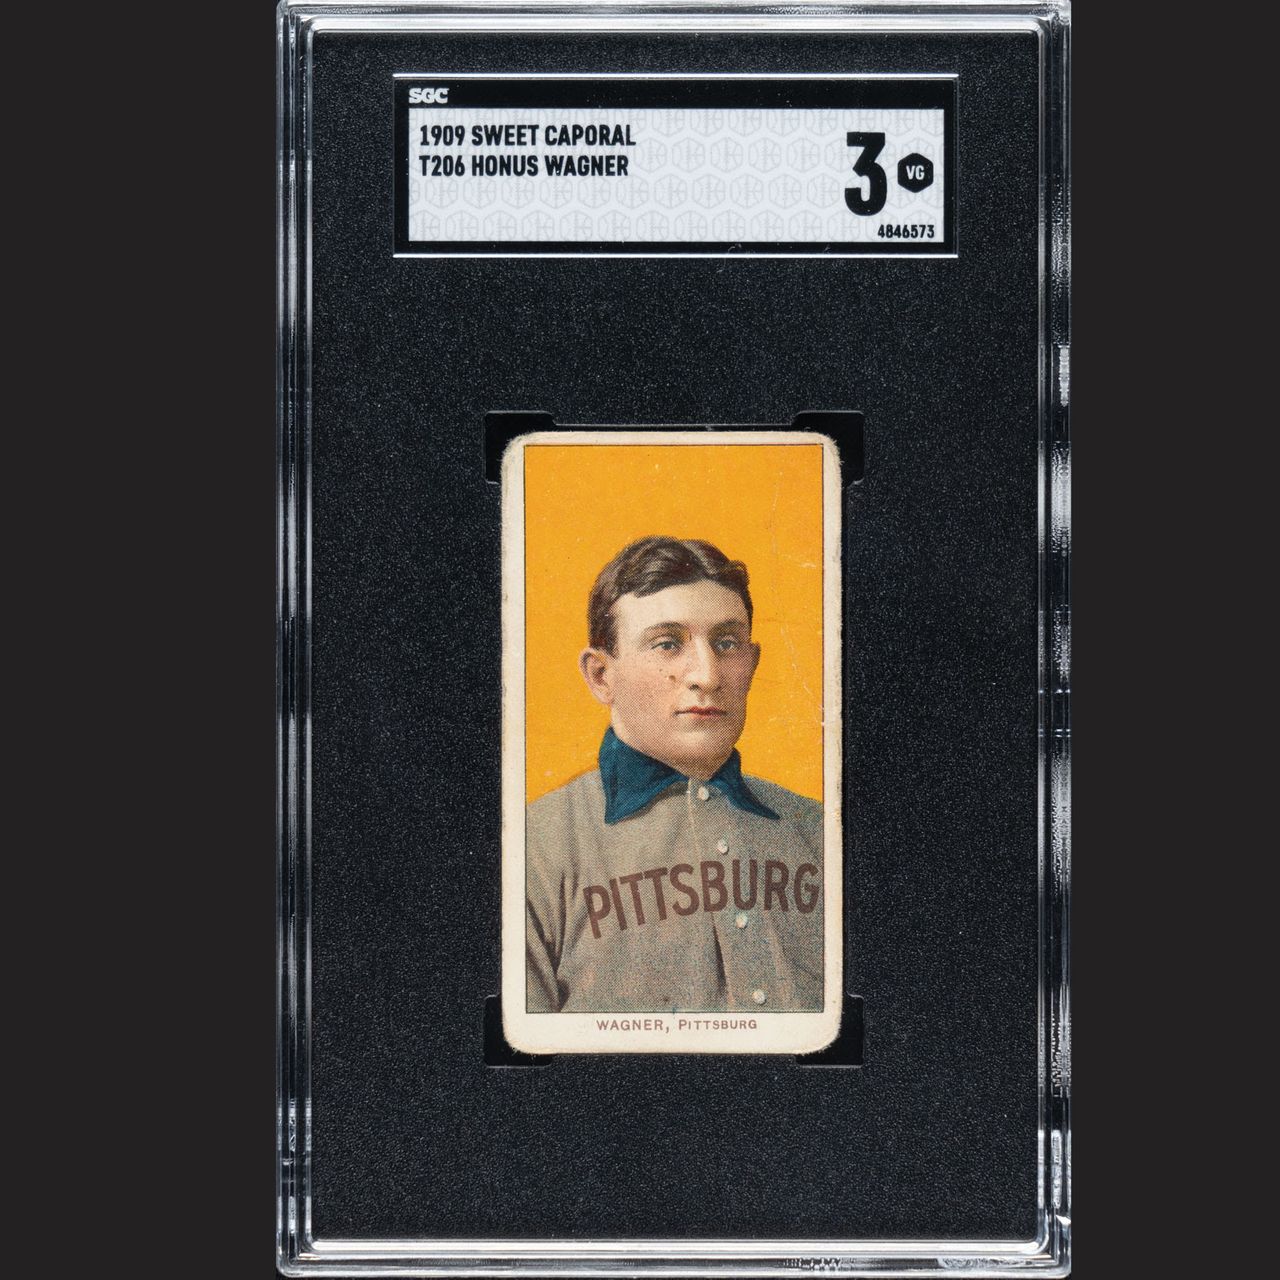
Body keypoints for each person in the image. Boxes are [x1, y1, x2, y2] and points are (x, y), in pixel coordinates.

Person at [526, 536, 824, 1014]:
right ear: (601, 676)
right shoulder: (534, 848)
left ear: (752, 664)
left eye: (726, 643)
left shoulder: (821, 832)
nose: (708, 675)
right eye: (667, 644)